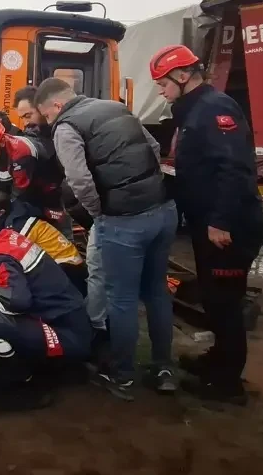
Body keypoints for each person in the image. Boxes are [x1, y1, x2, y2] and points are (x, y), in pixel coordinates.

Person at [35, 77, 178, 397]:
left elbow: (80, 180)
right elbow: (154, 148)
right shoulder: (116, 106)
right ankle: (164, 367)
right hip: (164, 211)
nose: (48, 122)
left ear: (57, 106)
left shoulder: (66, 126)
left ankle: (124, 376)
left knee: (122, 300)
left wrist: (100, 213)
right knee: (156, 292)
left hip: (123, 222)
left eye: (45, 115)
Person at [149, 44, 263, 404]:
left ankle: (227, 385)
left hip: (228, 227)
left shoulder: (214, 108)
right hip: (208, 222)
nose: (160, 90)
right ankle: (218, 361)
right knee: (214, 301)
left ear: (183, 76)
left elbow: (234, 168)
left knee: (226, 305)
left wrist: (220, 221)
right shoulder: (195, 110)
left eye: (163, 82)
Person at [0, 207, 91, 405]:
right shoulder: (6, 239)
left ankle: (22, 385)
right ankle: (49, 368)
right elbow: (7, 284)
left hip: (67, 334)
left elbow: (17, 302)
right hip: (73, 323)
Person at [0, 115, 69, 236]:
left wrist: (4, 219)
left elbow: (19, 194)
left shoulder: (21, 153)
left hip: (48, 191)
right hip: (24, 190)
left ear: (1, 142)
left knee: (16, 223)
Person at [0, 188, 85, 294]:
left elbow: (13, 265)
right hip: (67, 265)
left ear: (1, 213)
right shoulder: (19, 212)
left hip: (68, 271)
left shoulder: (19, 228)